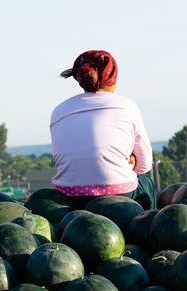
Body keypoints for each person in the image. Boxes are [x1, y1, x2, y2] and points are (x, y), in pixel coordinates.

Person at [50, 50, 156, 209]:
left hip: (69, 198)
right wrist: (130, 160)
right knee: (146, 182)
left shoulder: (58, 111)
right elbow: (145, 165)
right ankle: (148, 229)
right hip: (120, 195)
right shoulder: (127, 106)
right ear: (114, 78)